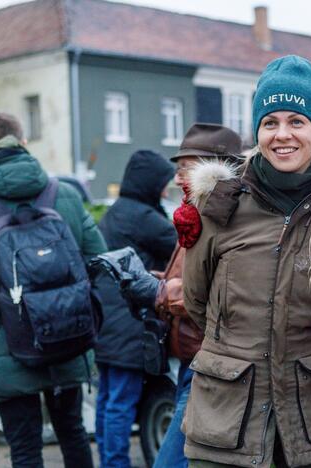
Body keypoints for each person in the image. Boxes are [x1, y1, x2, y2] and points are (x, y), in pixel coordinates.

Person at [180, 55, 311, 467]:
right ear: (257, 130)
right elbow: (196, 300)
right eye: (270, 122)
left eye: (297, 121)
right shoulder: (222, 202)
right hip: (227, 419)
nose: (282, 135)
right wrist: (239, 352)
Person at [0, 112, 106, 468]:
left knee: (24, 449)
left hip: (5, 346)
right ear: (23, 143)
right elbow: (99, 258)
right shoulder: (65, 194)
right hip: (66, 337)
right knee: (73, 433)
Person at [120, 123, 244, 468]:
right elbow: (192, 276)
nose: (177, 179)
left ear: (216, 169)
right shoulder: (196, 213)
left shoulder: (226, 217)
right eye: (177, 170)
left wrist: (159, 291)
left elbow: (225, 292)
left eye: (186, 169)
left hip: (211, 364)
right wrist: (151, 279)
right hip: (192, 360)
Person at [94, 150, 176, 468]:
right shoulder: (146, 218)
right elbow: (184, 250)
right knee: (121, 402)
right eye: (162, 184)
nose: (165, 190)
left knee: (108, 399)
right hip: (128, 323)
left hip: (106, 321)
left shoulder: (115, 211)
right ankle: (115, 464)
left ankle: (107, 461)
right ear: (149, 184)